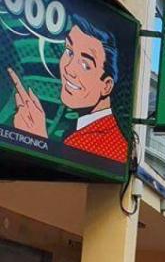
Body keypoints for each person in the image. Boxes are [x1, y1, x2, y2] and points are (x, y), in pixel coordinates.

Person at [7, 15, 127, 163]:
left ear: (106, 85)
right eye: (69, 52)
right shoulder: (103, 134)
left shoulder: (92, 144)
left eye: (85, 65)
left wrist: (38, 140)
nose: (68, 68)